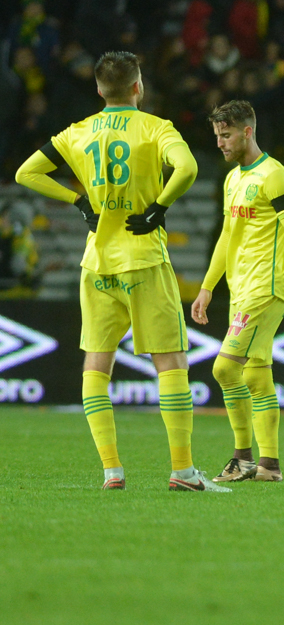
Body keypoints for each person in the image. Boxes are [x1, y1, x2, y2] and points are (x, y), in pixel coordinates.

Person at [13, 51, 227, 492]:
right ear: (138, 86)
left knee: (96, 364)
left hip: (96, 262)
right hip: (144, 258)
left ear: (98, 89)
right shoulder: (154, 128)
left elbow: (25, 173)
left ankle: (112, 470)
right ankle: (183, 471)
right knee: (170, 362)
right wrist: (157, 208)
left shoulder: (78, 131)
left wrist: (77, 201)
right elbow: (187, 168)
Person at [191, 100, 284, 483]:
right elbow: (228, 235)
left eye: (226, 135)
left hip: (265, 287)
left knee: (224, 367)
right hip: (240, 287)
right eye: (217, 136)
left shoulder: (274, 175)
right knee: (257, 377)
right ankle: (269, 465)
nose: (220, 143)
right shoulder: (233, 179)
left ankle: (242, 458)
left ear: (247, 131)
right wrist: (207, 287)